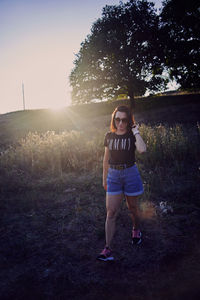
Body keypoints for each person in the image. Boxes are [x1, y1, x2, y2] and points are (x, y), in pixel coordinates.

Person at [97, 105, 146, 261]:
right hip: (113, 176)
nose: (120, 123)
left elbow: (142, 150)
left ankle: (136, 229)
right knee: (111, 212)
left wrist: (136, 130)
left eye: (124, 120)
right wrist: (104, 178)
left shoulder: (132, 135)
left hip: (130, 173)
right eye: (117, 119)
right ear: (114, 119)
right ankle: (107, 249)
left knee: (132, 207)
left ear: (129, 121)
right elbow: (105, 159)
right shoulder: (109, 136)